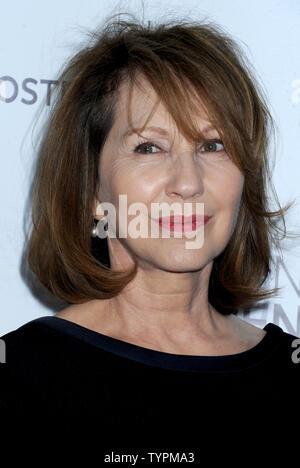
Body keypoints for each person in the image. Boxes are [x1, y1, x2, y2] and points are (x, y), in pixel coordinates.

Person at [1, 12, 299, 463]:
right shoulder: (19, 375)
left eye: (212, 145)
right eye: (148, 147)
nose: (188, 181)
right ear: (91, 188)